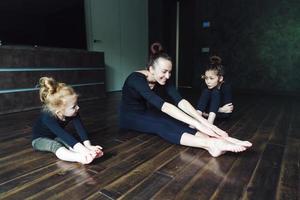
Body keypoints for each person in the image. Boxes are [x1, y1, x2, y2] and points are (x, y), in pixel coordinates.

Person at [119, 43, 251, 157]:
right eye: (164, 71)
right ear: (151, 69)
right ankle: (211, 144)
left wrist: (206, 124)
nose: (168, 75)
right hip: (130, 117)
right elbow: (164, 106)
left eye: (170, 72)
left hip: (145, 113)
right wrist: (200, 124)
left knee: (176, 121)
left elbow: (180, 101)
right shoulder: (135, 79)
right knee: (161, 125)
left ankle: (221, 139)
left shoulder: (163, 79)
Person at [32, 77, 103, 164]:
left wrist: (88, 146)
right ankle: (79, 157)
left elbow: (80, 129)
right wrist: (83, 151)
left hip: (56, 136)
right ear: (59, 111)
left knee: (69, 140)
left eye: (77, 104)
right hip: (39, 139)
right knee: (55, 145)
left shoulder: (73, 112)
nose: (78, 107)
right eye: (73, 106)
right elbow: (62, 134)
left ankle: (87, 154)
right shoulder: (47, 117)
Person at [197, 56, 234, 124]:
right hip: (212, 113)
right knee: (207, 91)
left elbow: (228, 111)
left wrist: (208, 112)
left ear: (220, 78)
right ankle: (196, 121)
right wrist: (221, 109)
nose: (208, 81)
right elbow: (201, 106)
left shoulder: (226, 87)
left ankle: (209, 122)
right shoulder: (206, 88)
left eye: (211, 78)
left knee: (215, 92)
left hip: (219, 117)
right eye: (206, 78)